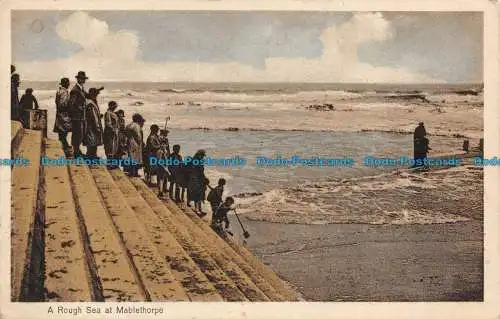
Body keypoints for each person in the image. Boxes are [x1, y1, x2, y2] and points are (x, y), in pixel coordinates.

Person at [69, 71, 89, 157]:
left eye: (84, 79)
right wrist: (79, 109)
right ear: (78, 79)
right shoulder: (75, 90)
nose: (83, 80)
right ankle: (76, 152)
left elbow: (87, 96)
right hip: (77, 117)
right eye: (81, 79)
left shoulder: (81, 88)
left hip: (81, 116)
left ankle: (77, 151)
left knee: (80, 134)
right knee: (77, 134)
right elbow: (71, 104)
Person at [83, 88, 104, 160]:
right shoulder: (90, 103)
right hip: (92, 126)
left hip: (90, 125)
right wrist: (97, 126)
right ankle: (91, 157)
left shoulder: (89, 102)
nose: (96, 96)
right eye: (95, 94)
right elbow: (93, 116)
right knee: (92, 142)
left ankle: (92, 156)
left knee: (93, 142)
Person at [53, 78, 72, 153]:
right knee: (64, 131)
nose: (69, 84)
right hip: (64, 114)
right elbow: (63, 104)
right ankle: (65, 146)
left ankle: (64, 145)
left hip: (60, 114)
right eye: (68, 83)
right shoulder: (64, 92)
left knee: (61, 131)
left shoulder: (59, 91)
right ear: (65, 84)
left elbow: (57, 102)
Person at [187, 149, 207, 215]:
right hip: (194, 179)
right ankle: (196, 209)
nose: (202, 157)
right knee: (196, 194)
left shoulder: (199, 161)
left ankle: (200, 209)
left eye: (203, 156)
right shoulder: (194, 161)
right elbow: (194, 171)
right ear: (199, 155)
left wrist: (204, 178)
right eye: (202, 155)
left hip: (199, 179)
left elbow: (201, 172)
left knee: (200, 194)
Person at [103, 101, 120, 168]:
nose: (115, 108)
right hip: (109, 133)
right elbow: (108, 124)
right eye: (114, 106)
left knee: (113, 148)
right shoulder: (108, 113)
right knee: (109, 148)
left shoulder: (112, 113)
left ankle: (111, 163)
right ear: (110, 106)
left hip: (113, 133)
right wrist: (114, 130)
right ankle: (109, 164)